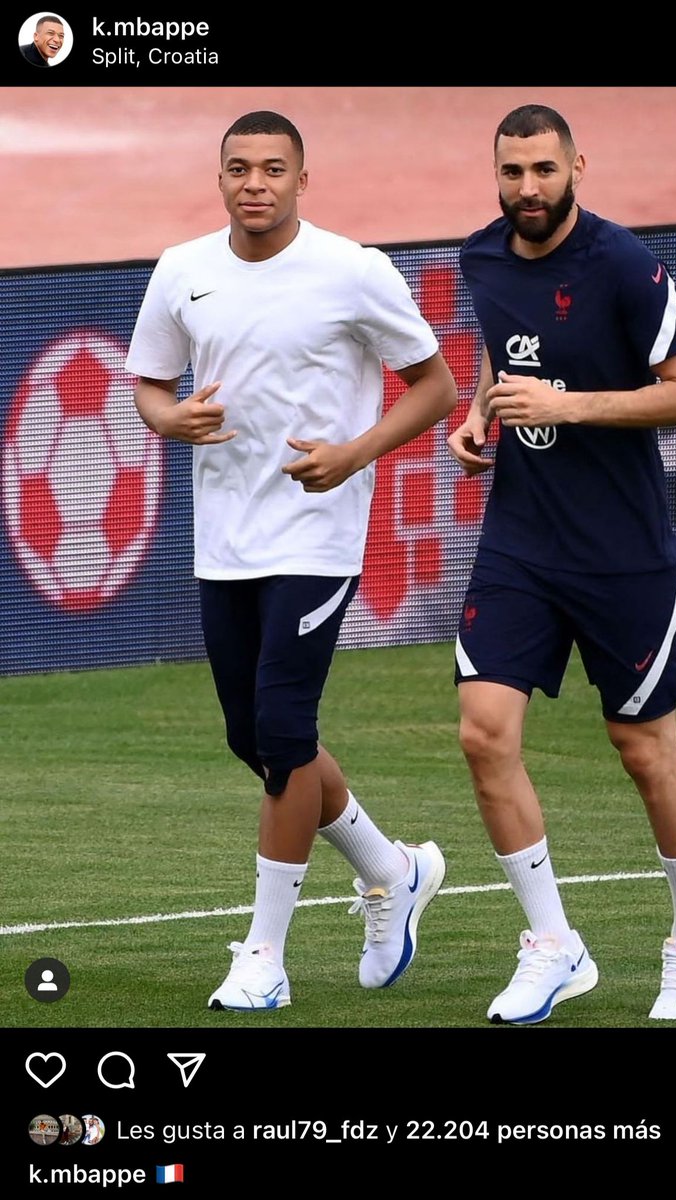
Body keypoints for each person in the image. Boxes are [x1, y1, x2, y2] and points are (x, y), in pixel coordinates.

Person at [125, 110, 456, 1012]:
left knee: (280, 731)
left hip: (318, 535)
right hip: (223, 538)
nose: (256, 183)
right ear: (220, 178)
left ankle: (263, 956)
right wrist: (166, 419)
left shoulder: (353, 270)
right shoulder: (182, 269)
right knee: (260, 740)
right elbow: (150, 382)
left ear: (302, 180)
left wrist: (352, 455)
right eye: (239, 168)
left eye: (274, 169)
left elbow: (436, 386)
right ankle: (391, 870)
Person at [448, 103, 676, 1025]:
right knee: (482, 733)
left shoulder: (623, 265)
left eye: (542, 170)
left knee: (643, 749)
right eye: (510, 173)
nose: (526, 189)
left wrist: (565, 407)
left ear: (577, 164)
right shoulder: (480, 256)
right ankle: (552, 945)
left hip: (622, 555)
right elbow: (505, 344)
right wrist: (479, 411)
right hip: (518, 542)